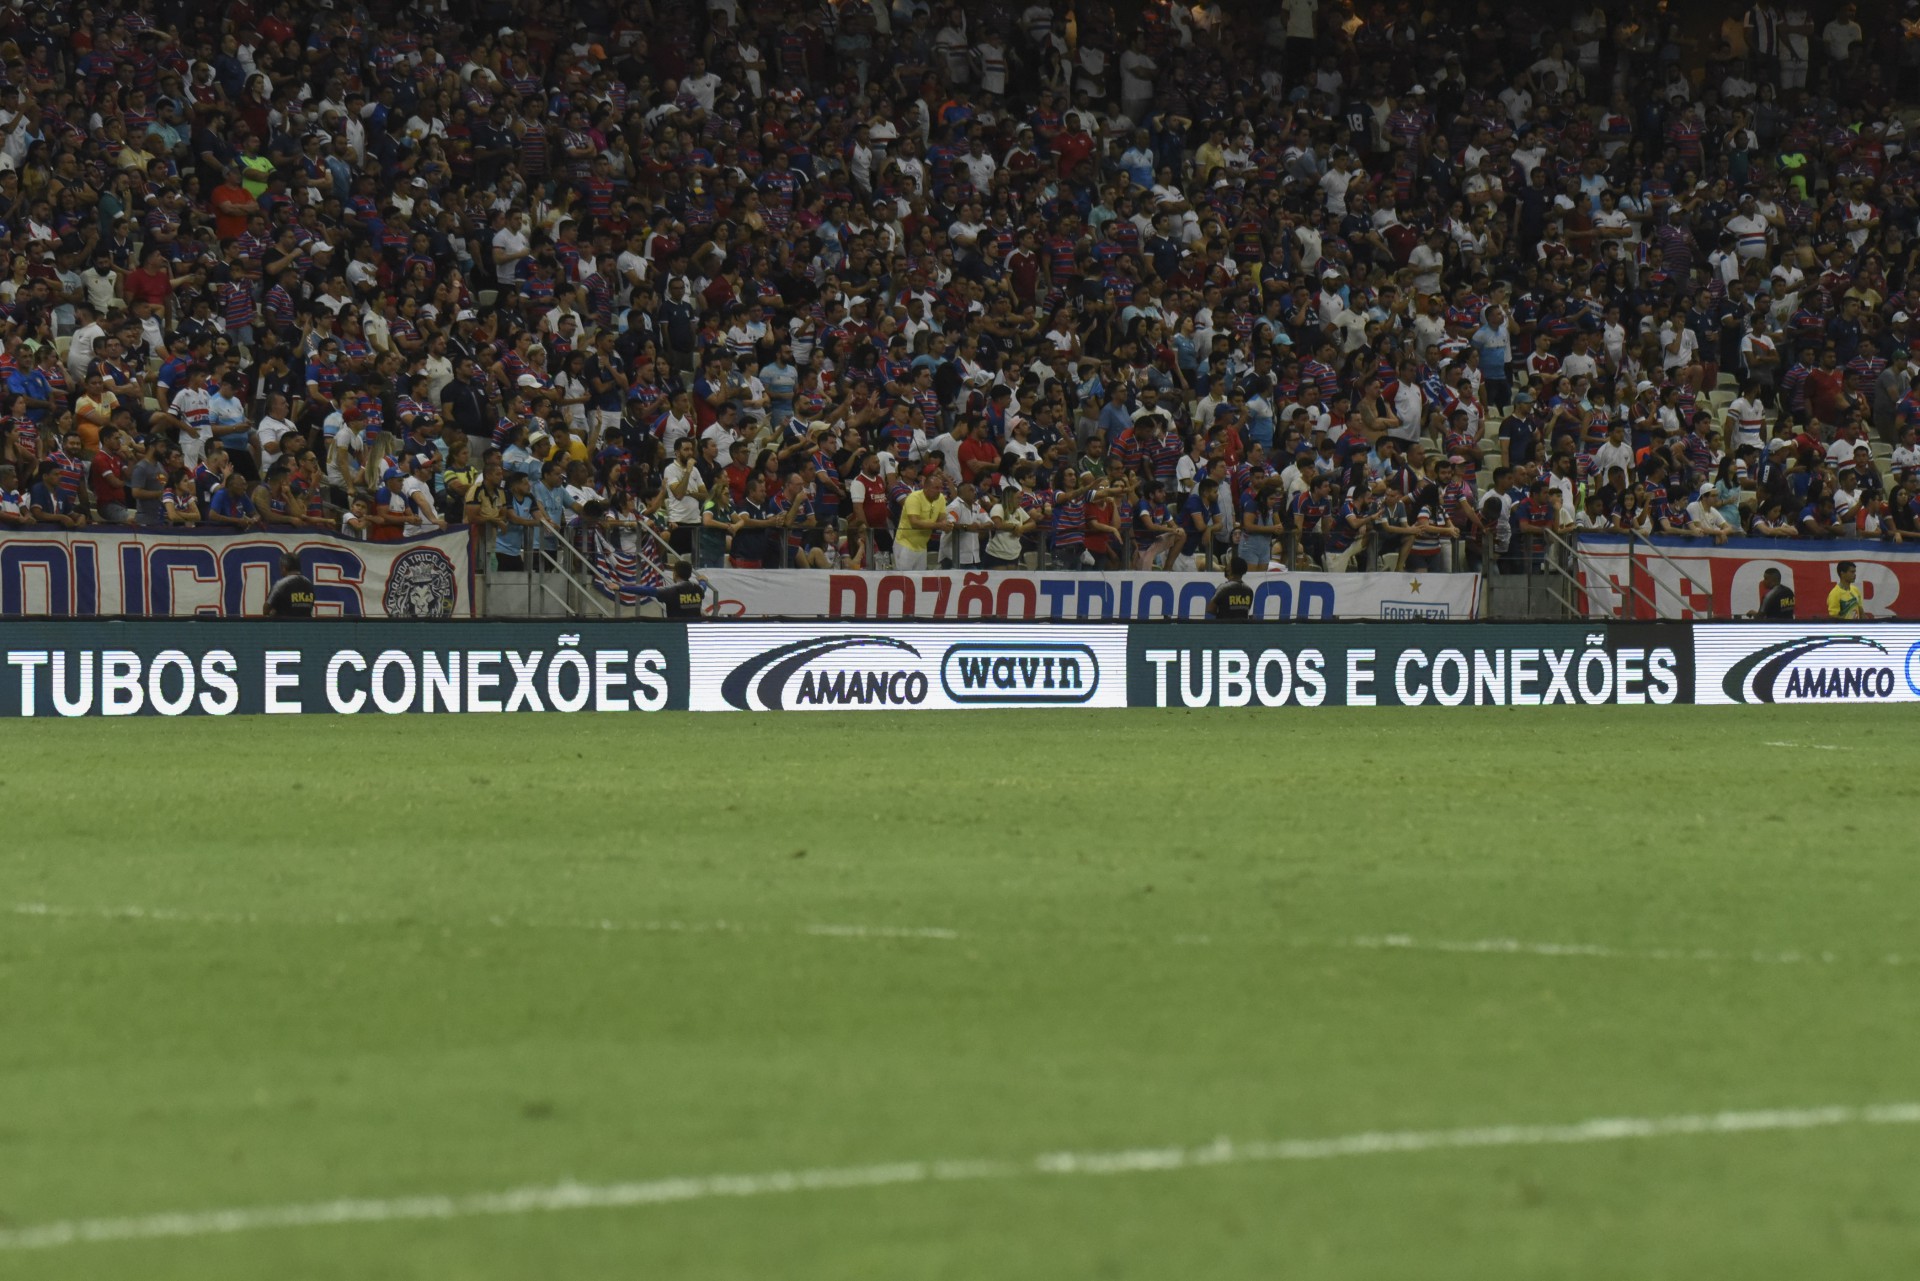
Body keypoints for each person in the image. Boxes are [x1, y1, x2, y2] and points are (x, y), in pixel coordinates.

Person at [894, 467, 952, 571]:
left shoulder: (941, 498)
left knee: (920, 580)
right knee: (904, 580)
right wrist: (939, 525)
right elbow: (914, 523)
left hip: (922, 546)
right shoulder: (914, 498)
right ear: (926, 488)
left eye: (940, 488)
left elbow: (942, 519)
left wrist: (946, 525)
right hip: (905, 544)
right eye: (936, 488)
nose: (939, 491)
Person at [635, 560, 710, 618]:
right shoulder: (698, 589)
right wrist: (702, 580)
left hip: (676, 630)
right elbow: (703, 586)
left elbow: (645, 590)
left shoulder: (671, 591)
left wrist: (624, 588)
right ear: (690, 574)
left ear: (675, 574)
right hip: (694, 630)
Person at [264, 552, 316, 618]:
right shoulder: (309, 583)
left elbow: (265, 611)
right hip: (306, 626)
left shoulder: (280, 585)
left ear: (284, 568)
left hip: (285, 626)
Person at [1209, 555, 1255, 619]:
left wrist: (1223, 615)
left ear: (1230, 569)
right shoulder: (1249, 590)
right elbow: (1245, 611)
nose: (1226, 567)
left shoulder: (1223, 588)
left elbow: (1210, 609)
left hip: (1225, 626)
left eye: (1228, 565)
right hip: (1242, 627)